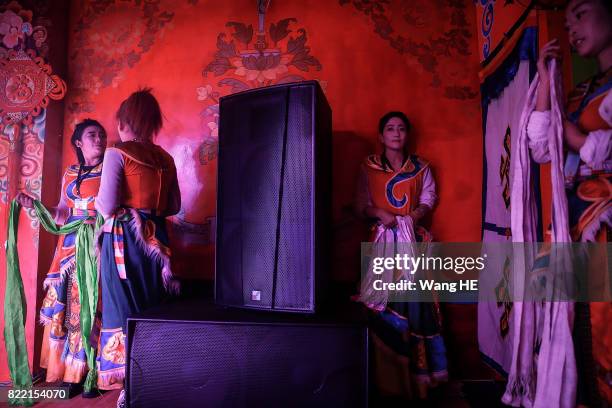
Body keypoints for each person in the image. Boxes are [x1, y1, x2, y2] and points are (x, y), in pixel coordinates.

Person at [526, 0, 611, 404]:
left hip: (604, 223)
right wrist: (544, 81)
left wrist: (573, 136)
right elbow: (543, 150)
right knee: (575, 330)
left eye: (581, 13)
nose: (572, 27)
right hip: (574, 223)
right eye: (567, 21)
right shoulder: (581, 93)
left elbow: (588, 147)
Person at [93, 89, 180, 407]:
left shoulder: (118, 152)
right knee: (152, 307)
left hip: (125, 240)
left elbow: (105, 206)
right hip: (159, 242)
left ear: (125, 121)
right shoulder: (166, 158)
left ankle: (129, 387)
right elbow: (173, 205)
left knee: (122, 308)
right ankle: (154, 379)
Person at [355, 111, 447, 399]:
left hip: (413, 244)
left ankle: (416, 383)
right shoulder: (368, 167)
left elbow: (428, 198)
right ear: (381, 136)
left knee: (416, 306)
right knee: (383, 308)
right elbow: (361, 204)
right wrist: (379, 213)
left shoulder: (421, 168)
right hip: (380, 244)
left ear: (407, 135)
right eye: (390, 129)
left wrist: (413, 217)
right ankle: (386, 384)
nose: (396, 133)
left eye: (402, 129)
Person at [16, 119, 107, 397]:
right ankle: (70, 374)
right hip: (68, 246)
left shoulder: (112, 168)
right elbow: (63, 211)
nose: (99, 139)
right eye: (92, 135)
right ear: (79, 143)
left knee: (91, 305)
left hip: (96, 245)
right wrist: (38, 207)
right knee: (68, 307)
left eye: (102, 135)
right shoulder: (70, 173)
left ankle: (92, 372)